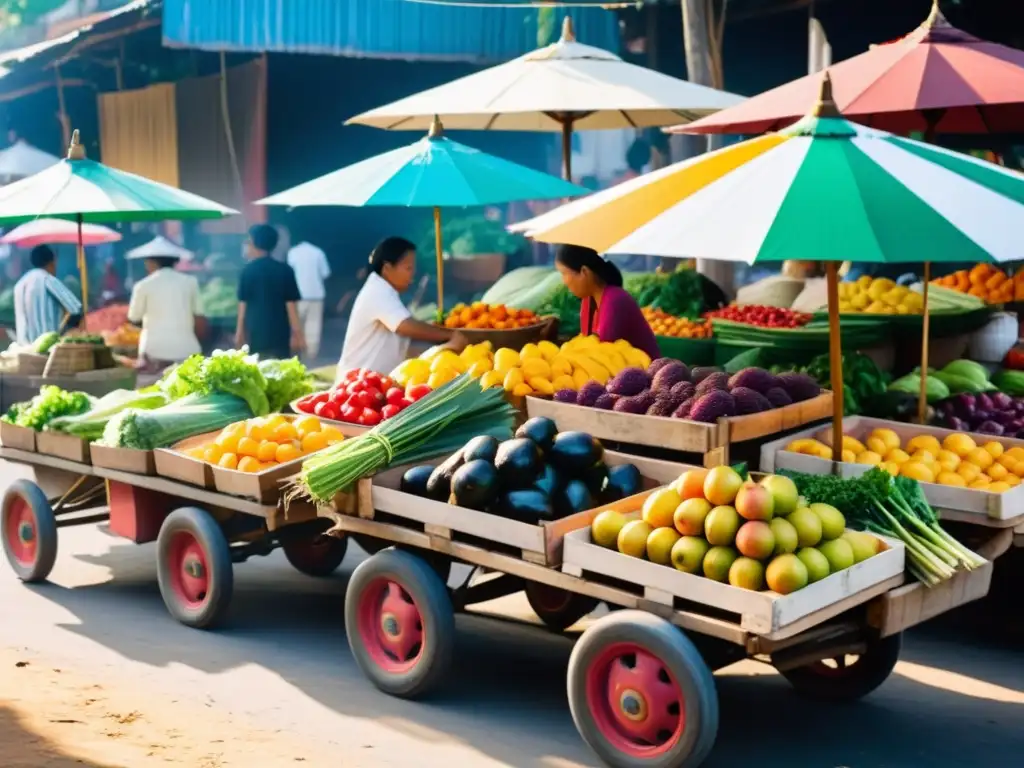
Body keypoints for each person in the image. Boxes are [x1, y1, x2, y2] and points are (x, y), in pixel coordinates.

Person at [338, 236, 467, 378]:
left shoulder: (386, 291)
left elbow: (404, 345)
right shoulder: (378, 291)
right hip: (357, 385)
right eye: (408, 268)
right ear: (387, 268)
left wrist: (444, 346)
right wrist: (449, 335)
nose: (413, 274)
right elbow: (406, 326)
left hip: (373, 381)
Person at [554, 244, 659, 359]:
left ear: (584, 272)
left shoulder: (615, 300)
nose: (564, 281)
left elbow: (603, 353)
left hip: (645, 373)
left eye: (564, 273)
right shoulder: (588, 300)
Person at [235, 224, 305, 359]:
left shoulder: (247, 271)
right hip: (280, 332)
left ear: (254, 243)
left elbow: (243, 306)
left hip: (256, 332)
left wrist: (240, 332)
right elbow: (291, 307)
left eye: (249, 240)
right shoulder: (285, 270)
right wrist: (297, 334)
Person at [126, 249, 202, 369]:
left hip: (154, 351)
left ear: (152, 263)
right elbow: (199, 312)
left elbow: (134, 316)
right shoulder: (191, 282)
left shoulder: (142, 285)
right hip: (187, 350)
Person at [13, 246, 82, 345]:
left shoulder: (19, 285)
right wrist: (62, 334)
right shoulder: (47, 279)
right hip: (47, 348)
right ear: (52, 262)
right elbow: (76, 310)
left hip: (24, 349)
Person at [286, 234, 331, 361]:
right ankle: (310, 356)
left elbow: (289, 273)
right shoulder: (318, 252)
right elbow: (325, 274)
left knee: (295, 325)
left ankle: (295, 354)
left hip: (297, 295)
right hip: (316, 295)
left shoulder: (292, 252)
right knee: (313, 326)